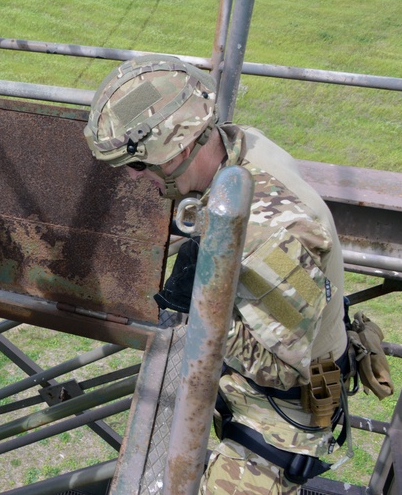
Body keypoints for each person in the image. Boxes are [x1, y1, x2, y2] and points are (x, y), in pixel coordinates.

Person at [83, 55, 349, 494]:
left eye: (138, 165)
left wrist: (206, 316)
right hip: (260, 380)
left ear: (182, 149)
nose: (136, 178)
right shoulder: (238, 147)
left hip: (277, 421)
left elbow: (284, 371)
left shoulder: (267, 238)